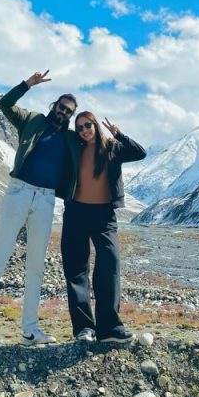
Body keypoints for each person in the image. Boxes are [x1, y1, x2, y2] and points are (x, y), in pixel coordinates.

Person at [0, 70, 80, 347]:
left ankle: (30, 329)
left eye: (69, 112)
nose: (64, 113)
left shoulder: (69, 140)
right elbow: (4, 104)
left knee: (36, 267)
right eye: (62, 108)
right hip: (19, 191)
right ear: (54, 106)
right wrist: (27, 84)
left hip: (45, 200)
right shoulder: (32, 120)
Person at [61, 111, 146, 345]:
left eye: (87, 125)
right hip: (76, 212)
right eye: (79, 127)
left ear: (95, 125)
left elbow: (140, 153)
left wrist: (119, 134)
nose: (84, 130)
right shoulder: (74, 147)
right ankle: (84, 329)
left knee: (110, 263)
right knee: (76, 270)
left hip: (104, 215)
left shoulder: (112, 147)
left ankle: (109, 328)